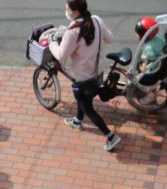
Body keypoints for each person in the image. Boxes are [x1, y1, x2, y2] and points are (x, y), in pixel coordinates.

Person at [49, 0, 120, 152]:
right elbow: (110, 38)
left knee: (87, 106)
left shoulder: (73, 31)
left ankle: (110, 136)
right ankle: (77, 120)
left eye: (67, 9)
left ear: (75, 12)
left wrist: (52, 43)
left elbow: (61, 56)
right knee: (83, 99)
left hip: (83, 78)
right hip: (98, 73)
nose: (65, 11)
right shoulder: (96, 20)